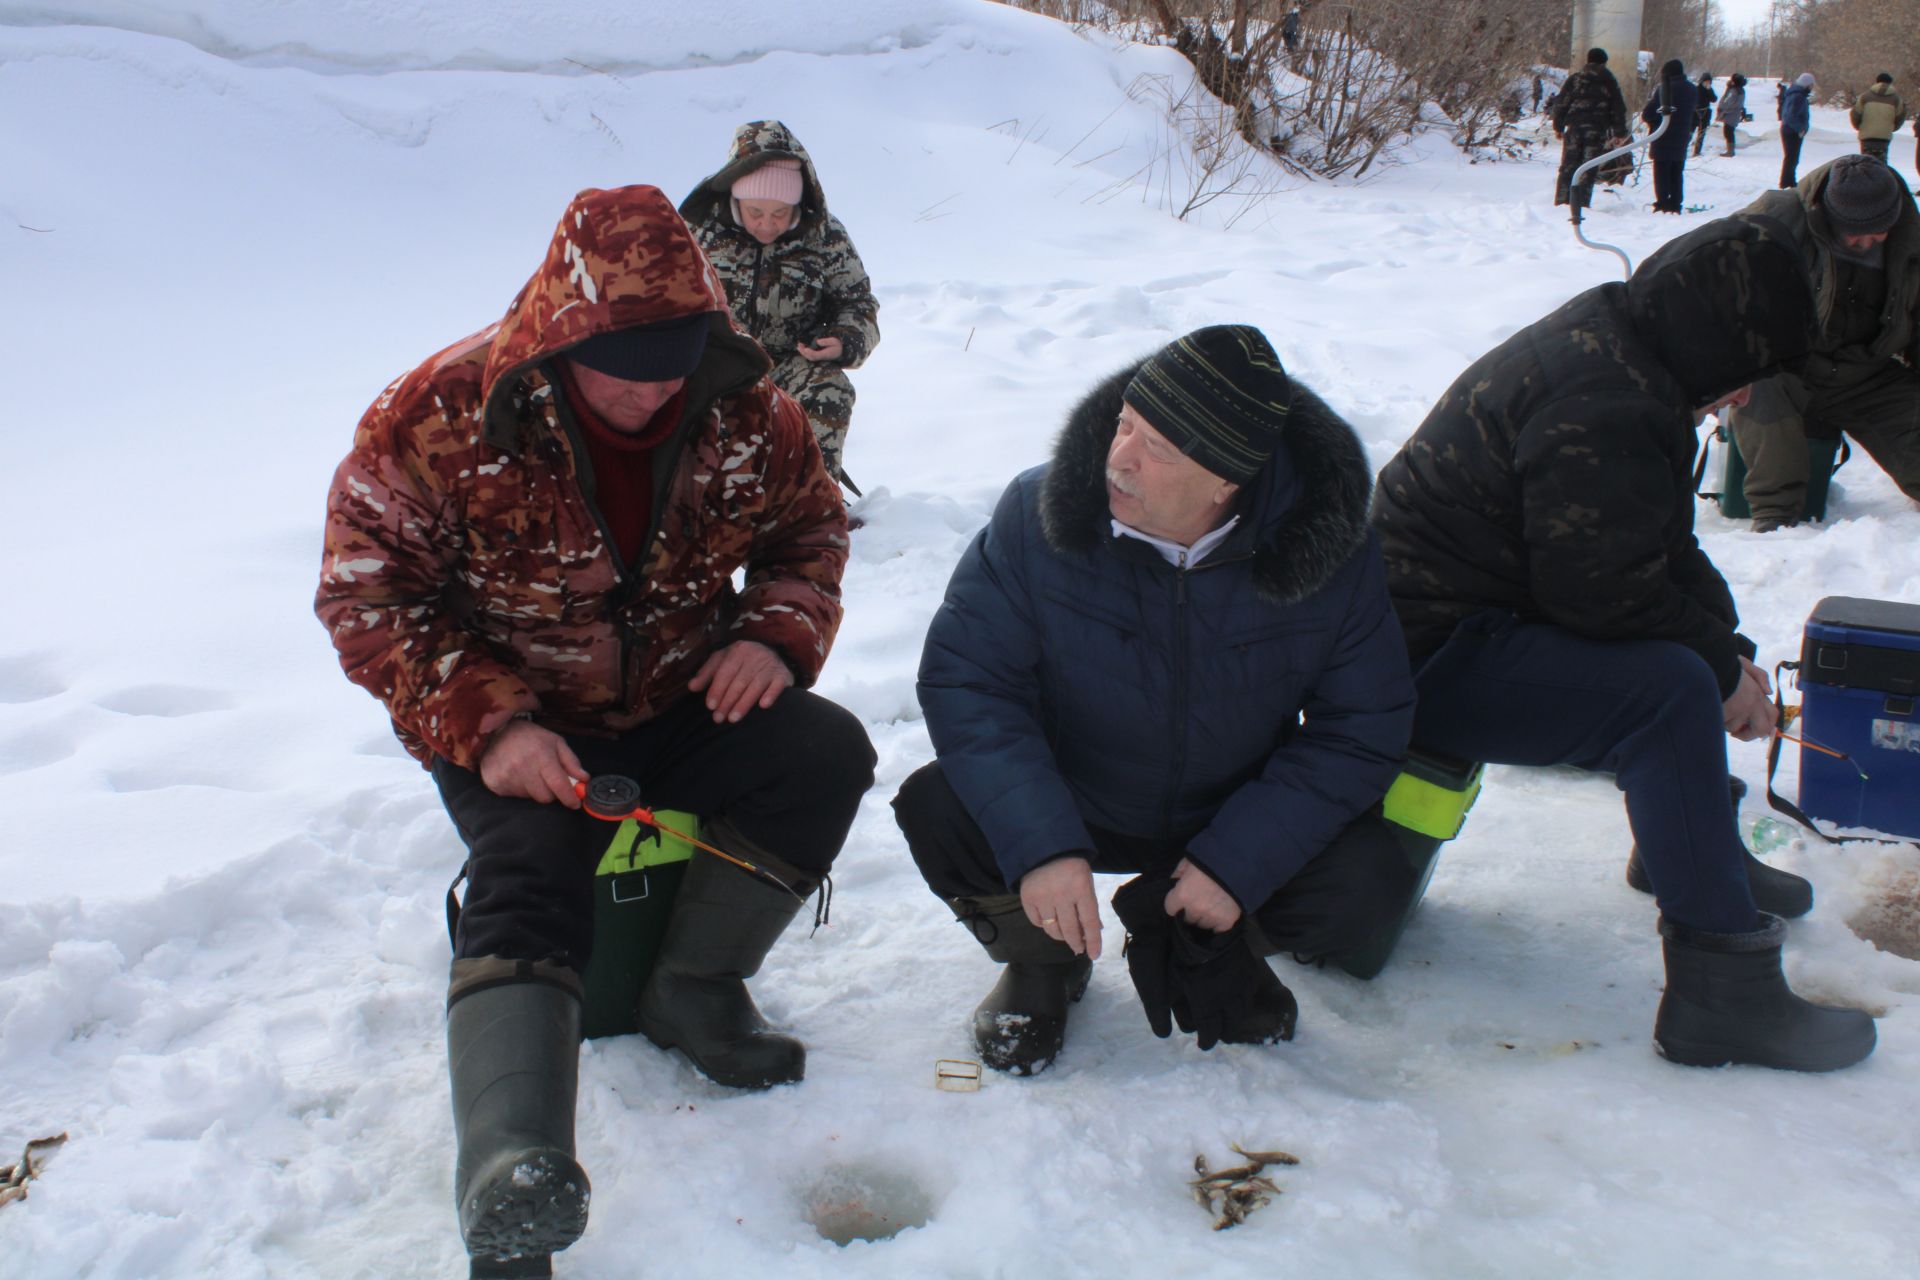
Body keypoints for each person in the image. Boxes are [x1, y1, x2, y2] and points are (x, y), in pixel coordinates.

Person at [315, 184, 876, 1274]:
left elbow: (810, 529)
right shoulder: (437, 412)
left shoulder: (750, 406)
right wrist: (489, 724)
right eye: (623, 363)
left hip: (679, 692)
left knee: (823, 754)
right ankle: (512, 1170)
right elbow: (366, 597)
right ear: (559, 335)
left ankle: (693, 988)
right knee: (529, 864)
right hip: (522, 713)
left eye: (674, 358)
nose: (651, 387)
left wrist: (772, 632)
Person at [1372, 215, 1876, 1074]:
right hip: (1421, 662)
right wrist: (1716, 673)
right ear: (1718, 341)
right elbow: (1602, 596)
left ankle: (1693, 849)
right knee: (1666, 689)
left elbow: (1651, 541)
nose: (1746, 401)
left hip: (1475, 619)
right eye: (1747, 375)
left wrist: (1732, 651)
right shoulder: (1608, 399)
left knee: (1690, 661)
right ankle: (1723, 995)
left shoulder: (1624, 344)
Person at [893, 325, 1417, 1075]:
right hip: (1080, 798)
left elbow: (1361, 728)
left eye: (1158, 448)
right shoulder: (1038, 516)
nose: (1120, 458)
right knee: (942, 808)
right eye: (1126, 425)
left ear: (1227, 482)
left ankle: (1204, 938)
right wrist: (1042, 843)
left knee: (1365, 879)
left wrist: (1238, 862)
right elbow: (971, 679)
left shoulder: (1327, 549)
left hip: (1227, 807)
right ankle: (1044, 962)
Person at [681, 120, 880, 490]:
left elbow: (857, 302)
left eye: (780, 214)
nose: (767, 226)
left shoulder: (824, 235)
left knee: (830, 389)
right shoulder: (697, 232)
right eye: (756, 212)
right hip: (710, 366)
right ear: (734, 197)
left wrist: (845, 339)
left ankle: (812, 503)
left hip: (787, 366)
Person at [1728, 155, 1920, 531]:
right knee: (1757, 384)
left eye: (1877, 232)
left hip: (1864, 375)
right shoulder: (1776, 216)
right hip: (1784, 366)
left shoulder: (1912, 242)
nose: (1863, 241)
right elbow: (1709, 279)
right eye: (1851, 231)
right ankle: (1775, 519)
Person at [1552, 48, 1630, 223]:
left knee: (1568, 166)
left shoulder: (1576, 79)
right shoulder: (1609, 81)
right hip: (1597, 130)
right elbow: (1619, 108)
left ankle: (1561, 202)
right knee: (1588, 167)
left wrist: (1558, 126)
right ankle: (1581, 204)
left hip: (1574, 128)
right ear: (1604, 62)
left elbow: (1561, 103)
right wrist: (1619, 132)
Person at [1643, 58, 1700, 213]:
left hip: (1663, 136)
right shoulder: (1692, 90)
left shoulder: (1664, 89)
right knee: (1677, 171)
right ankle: (1675, 204)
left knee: (1661, 171)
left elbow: (1648, 114)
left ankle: (1662, 203)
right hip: (1681, 137)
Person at [1851, 72, 1906, 160]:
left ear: (1877, 82)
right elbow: (1900, 118)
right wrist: (1891, 128)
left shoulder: (1865, 97)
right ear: (1890, 83)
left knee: (1865, 163)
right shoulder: (1896, 99)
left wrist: (1859, 127)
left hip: (1866, 136)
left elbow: (1855, 114)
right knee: (1881, 163)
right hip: (1884, 136)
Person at [1780, 71, 1815, 188]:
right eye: (1811, 85)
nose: (1812, 88)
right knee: (1791, 158)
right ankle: (1786, 183)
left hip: (1791, 129)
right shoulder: (1797, 96)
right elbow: (1790, 116)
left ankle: (1790, 181)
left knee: (1792, 158)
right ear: (1806, 84)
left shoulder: (1797, 94)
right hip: (1792, 131)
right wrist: (1800, 128)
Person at [1719, 72, 1749, 156]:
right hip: (1735, 113)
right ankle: (1730, 150)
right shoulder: (1741, 90)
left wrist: (1723, 111)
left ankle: (1730, 151)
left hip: (1731, 114)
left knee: (1728, 132)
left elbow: (1728, 102)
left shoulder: (1734, 91)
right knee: (1729, 131)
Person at [1692, 71, 1718, 158]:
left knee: (1702, 133)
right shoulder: (1696, 88)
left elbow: (1714, 99)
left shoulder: (1709, 90)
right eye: (1706, 81)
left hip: (1705, 113)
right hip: (1695, 113)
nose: (1707, 83)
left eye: (1709, 81)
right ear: (1702, 81)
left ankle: (1697, 151)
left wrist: (1709, 90)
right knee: (1690, 131)